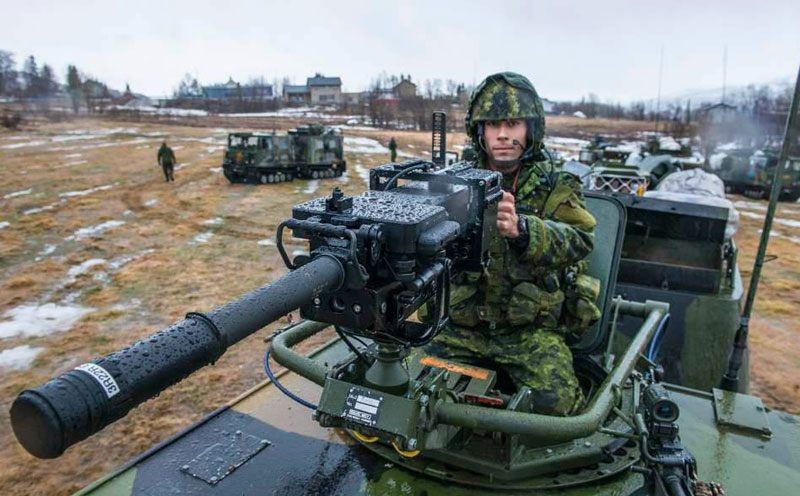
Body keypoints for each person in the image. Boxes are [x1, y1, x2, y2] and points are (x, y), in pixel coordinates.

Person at [425, 72, 600, 416]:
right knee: (411, 387)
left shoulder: (556, 183)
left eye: (513, 123)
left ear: (530, 129)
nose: (503, 134)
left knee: (559, 406)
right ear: (480, 131)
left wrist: (524, 230)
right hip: (461, 327)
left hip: (528, 332)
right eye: (492, 125)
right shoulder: (455, 181)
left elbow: (580, 240)